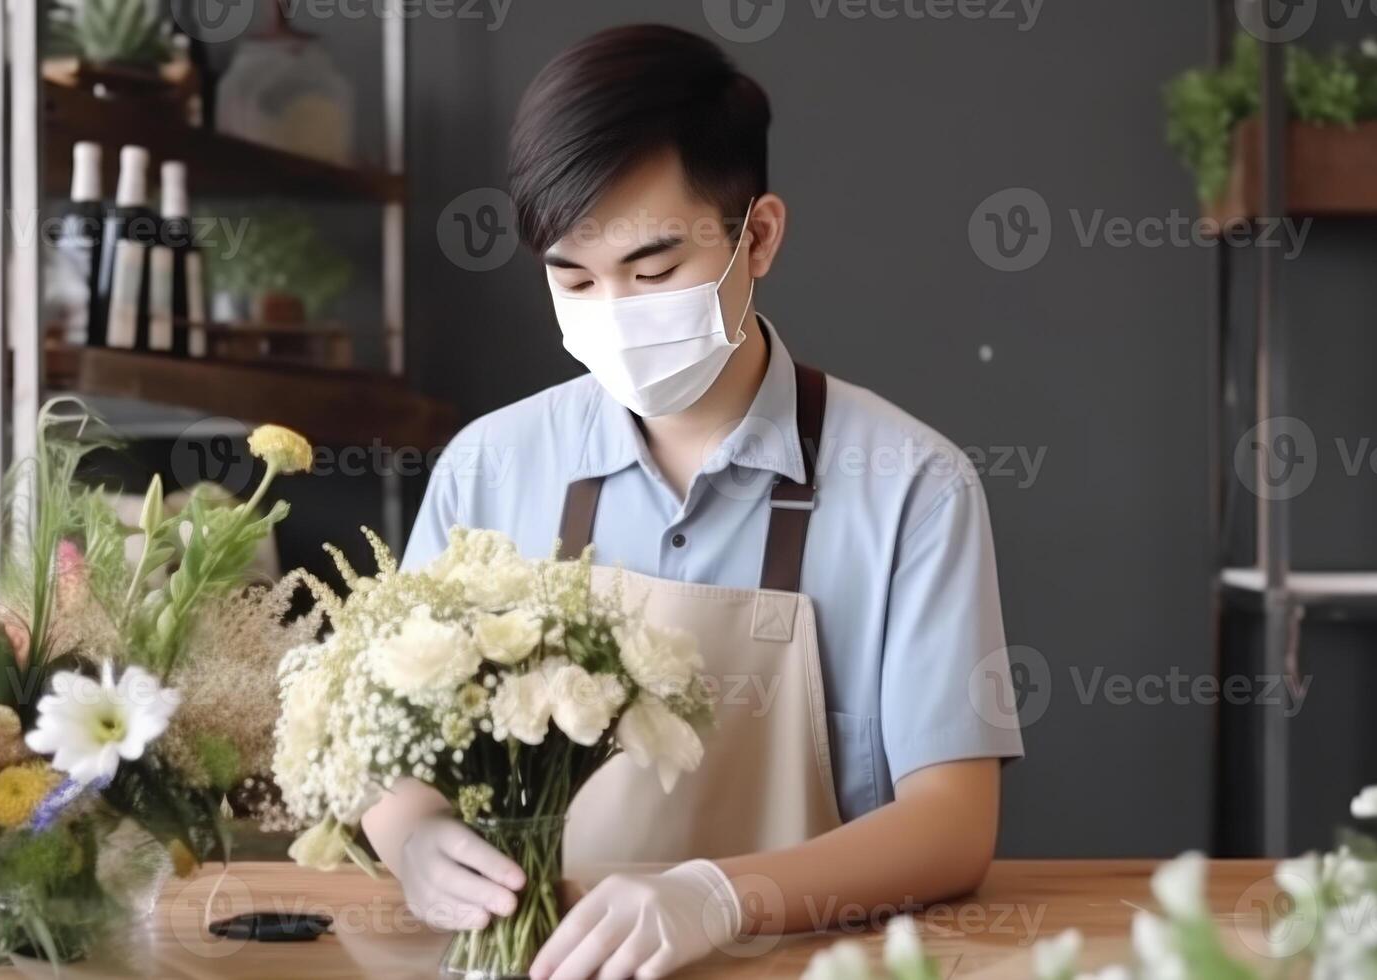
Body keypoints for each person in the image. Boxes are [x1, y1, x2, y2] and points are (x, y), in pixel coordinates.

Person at [364, 23, 1024, 980]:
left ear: (756, 235)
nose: (614, 313)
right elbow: (387, 747)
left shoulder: (911, 486)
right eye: (574, 279)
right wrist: (416, 833)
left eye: (653, 271)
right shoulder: (488, 469)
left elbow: (952, 825)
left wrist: (719, 896)